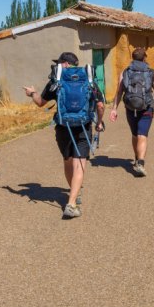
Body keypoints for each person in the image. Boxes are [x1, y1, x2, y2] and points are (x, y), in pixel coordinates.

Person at [24, 52, 105, 219]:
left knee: (68, 161)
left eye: (60, 62)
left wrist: (32, 93)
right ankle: (72, 202)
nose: (59, 65)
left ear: (66, 63)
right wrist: (99, 122)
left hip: (63, 127)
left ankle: (74, 195)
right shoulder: (89, 80)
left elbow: (40, 103)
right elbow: (101, 105)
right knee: (80, 163)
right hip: (83, 126)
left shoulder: (56, 81)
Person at [109, 47, 154, 177]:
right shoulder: (151, 72)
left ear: (133, 58)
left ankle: (137, 157)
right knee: (142, 134)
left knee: (134, 134)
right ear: (145, 58)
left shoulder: (125, 72)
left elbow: (119, 92)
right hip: (146, 107)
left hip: (130, 107)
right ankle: (140, 163)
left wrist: (114, 109)